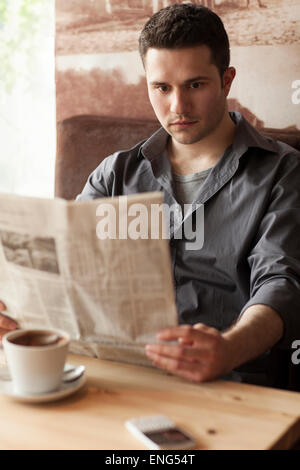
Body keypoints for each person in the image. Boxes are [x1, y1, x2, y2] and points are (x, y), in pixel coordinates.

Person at [1, 4, 299, 386]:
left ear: (226, 80)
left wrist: (230, 347)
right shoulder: (114, 174)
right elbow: (68, 272)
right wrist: (16, 312)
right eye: (161, 87)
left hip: (230, 379)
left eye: (195, 85)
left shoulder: (282, 171)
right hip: (117, 375)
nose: (178, 107)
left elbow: (282, 282)